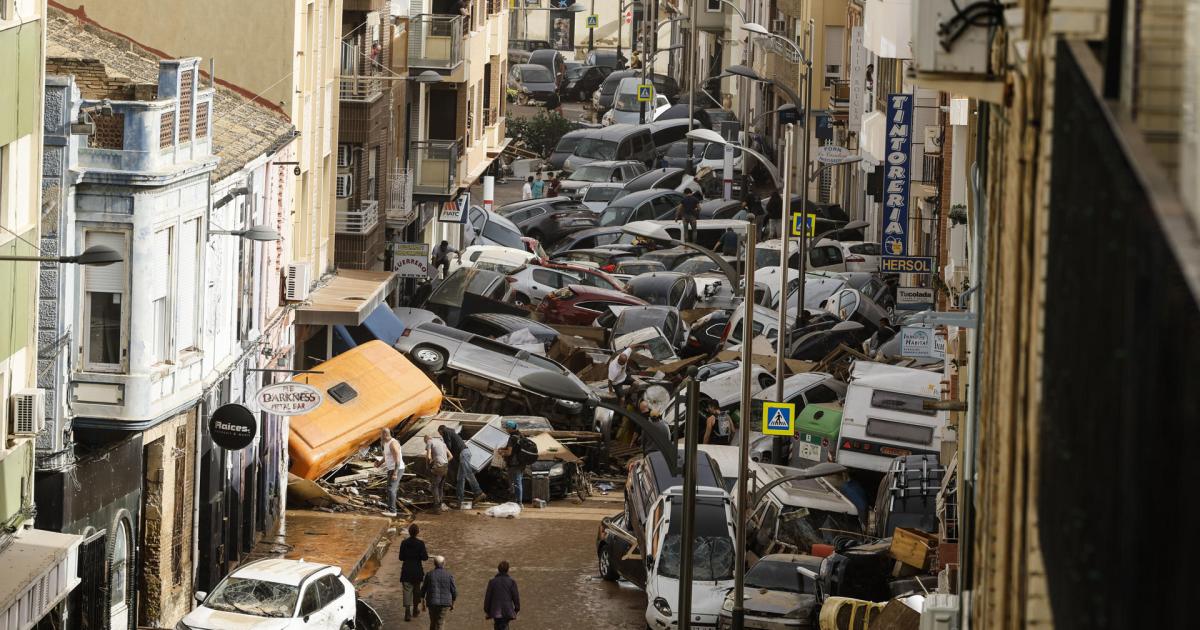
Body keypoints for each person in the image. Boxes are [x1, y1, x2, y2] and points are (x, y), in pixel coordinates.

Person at [438, 424, 485, 509]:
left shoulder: (446, 432)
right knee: (460, 478)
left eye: (440, 433)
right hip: (465, 453)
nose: (440, 435)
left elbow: (448, 446)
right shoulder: (452, 432)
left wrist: (443, 453)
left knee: (468, 474)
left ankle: (478, 493)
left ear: (441, 430)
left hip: (463, 454)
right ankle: (460, 501)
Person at [398, 524, 429, 621]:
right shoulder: (420, 543)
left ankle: (407, 613)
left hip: (406, 570)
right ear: (417, 532)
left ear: (409, 532)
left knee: (407, 591)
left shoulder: (404, 543)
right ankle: (415, 610)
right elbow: (425, 558)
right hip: (417, 571)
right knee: (416, 591)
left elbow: (401, 557)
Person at [421, 555, 457, 630]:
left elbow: (423, 590)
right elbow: (454, 591)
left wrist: (423, 603)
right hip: (444, 603)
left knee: (433, 622)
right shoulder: (449, 575)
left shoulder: (429, 574)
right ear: (444, 563)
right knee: (440, 622)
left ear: (434, 563)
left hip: (432, 602)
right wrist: (453, 603)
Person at [484, 560, 521, 630]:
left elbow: (488, 598)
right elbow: (516, 598)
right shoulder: (512, 582)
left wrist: (487, 611)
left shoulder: (492, 582)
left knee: (497, 625)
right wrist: (516, 610)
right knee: (504, 625)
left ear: (498, 569)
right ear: (507, 570)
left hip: (495, 612)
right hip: (508, 611)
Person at [380, 427, 404, 517]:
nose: (380, 436)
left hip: (397, 469)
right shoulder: (385, 443)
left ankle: (393, 511)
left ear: (385, 434)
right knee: (390, 489)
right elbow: (386, 456)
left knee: (391, 489)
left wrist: (395, 473)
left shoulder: (393, 443)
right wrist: (379, 463)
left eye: (381, 434)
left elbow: (398, 459)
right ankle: (390, 508)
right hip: (391, 469)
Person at [500, 421, 527, 504]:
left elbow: (509, 453)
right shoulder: (521, 436)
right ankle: (517, 502)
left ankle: (518, 502)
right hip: (522, 463)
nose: (506, 430)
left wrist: (501, 452)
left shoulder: (512, 438)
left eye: (507, 428)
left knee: (514, 483)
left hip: (514, 464)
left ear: (510, 428)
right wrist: (504, 449)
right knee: (518, 482)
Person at [425, 434, 450, 513]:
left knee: (434, 487)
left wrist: (428, 466)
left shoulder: (429, 442)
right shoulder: (442, 443)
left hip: (438, 467)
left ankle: (437, 508)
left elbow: (429, 457)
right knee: (440, 487)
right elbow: (451, 456)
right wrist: (443, 463)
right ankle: (440, 505)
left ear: (426, 440)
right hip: (445, 466)